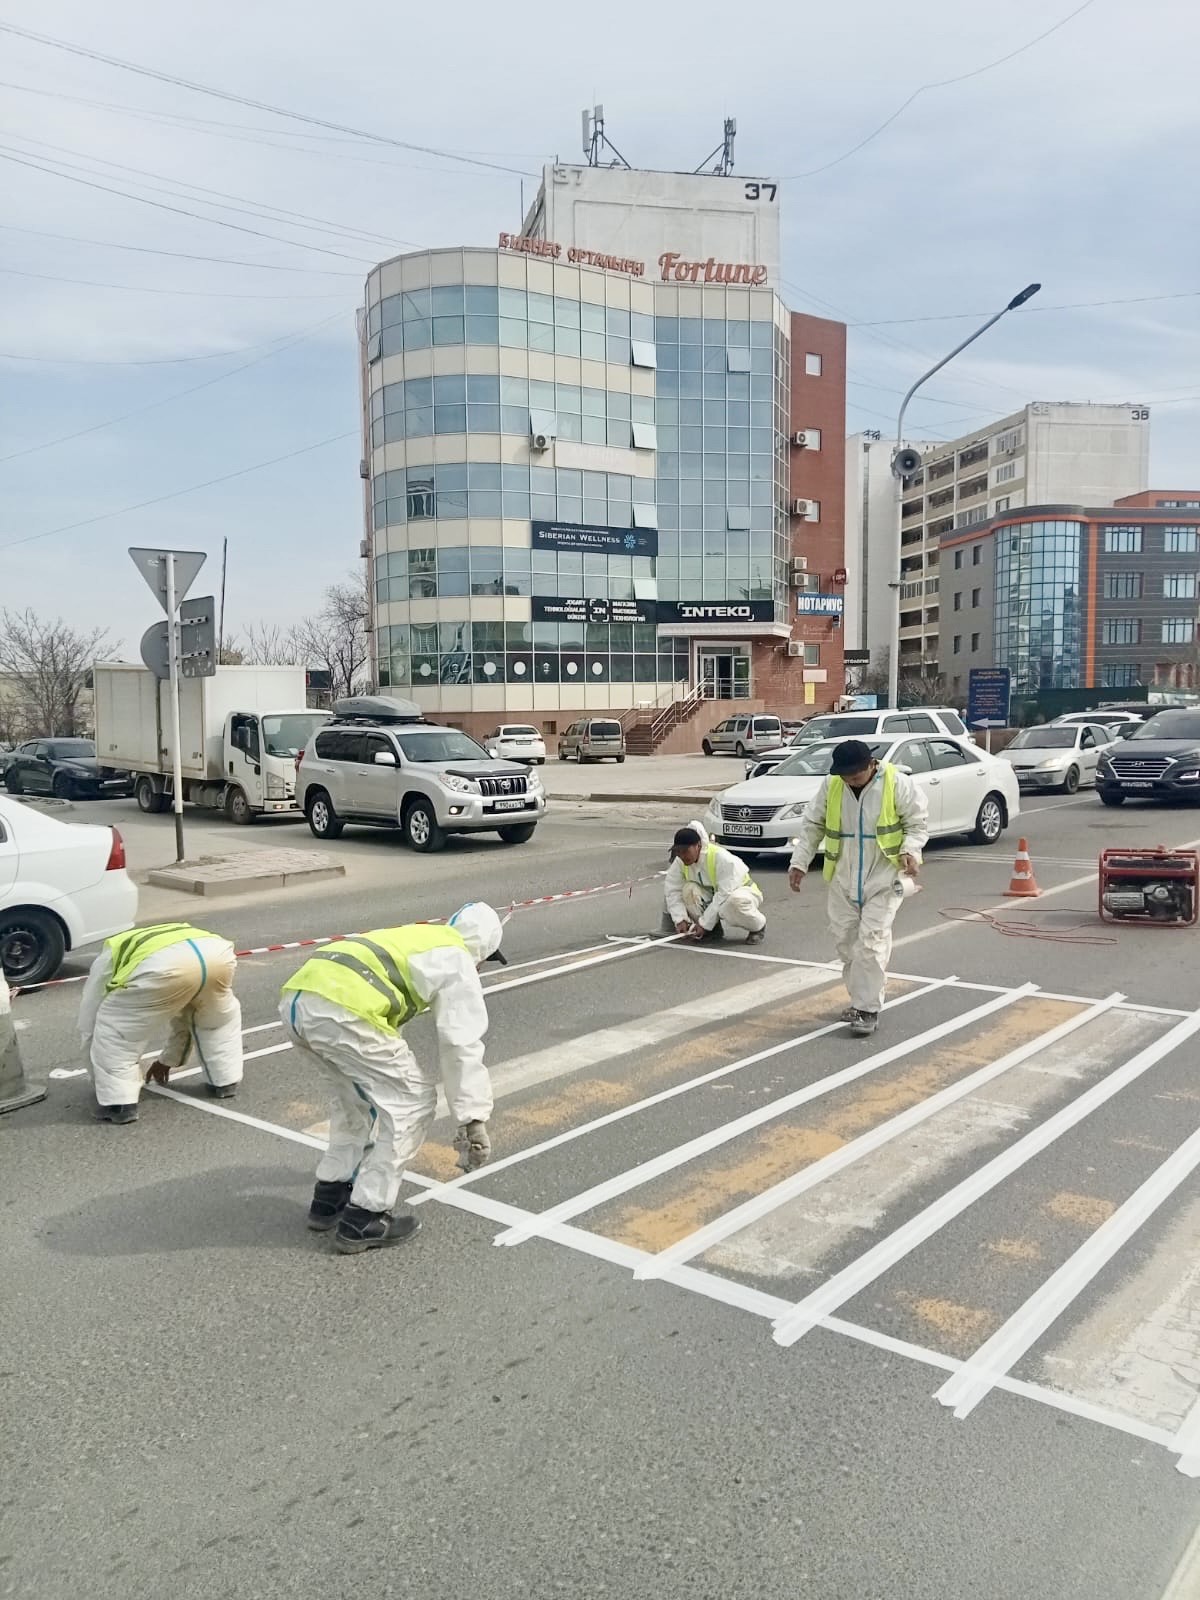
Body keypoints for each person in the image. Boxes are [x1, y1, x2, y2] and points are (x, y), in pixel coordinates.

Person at [279, 903, 506, 1256]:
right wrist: (473, 1118)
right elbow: (461, 1044)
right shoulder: (458, 958)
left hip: (299, 999)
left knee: (353, 1103)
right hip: (342, 1011)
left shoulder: (421, 936)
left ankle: (329, 1198)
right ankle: (365, 1216)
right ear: (483, 951)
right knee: (412, 1103)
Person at [788, 739, 929, 1037]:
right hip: (843, 878)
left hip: (883, 877)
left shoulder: (896, 783)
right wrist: (799, 863)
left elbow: (917, 824)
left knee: (871, 943)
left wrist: (911, 851)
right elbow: (813, 824)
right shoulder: (833, 785)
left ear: (870, 765)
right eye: (845, 776)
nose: (850, 780)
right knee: (847, 944)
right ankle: (859, 1000)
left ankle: (868, 1009)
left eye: (855, 775)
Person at [78, 921, 243, 1124]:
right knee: (217, 1022)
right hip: (217, 954)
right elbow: (186, 1017)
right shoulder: (163, 935)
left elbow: (90, 1021)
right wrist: (168, 1060)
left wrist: (99, 1080)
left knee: (116, 1036)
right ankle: (225, 1082)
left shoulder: (110, 954)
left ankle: (119, 1104)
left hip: (161, 965)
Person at [663, 822, 766, 944]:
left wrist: (705, 924)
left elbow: (723, 895)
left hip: (741, 892)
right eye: (678, 852)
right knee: (688, 890)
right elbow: (672, 890)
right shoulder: (680, 862)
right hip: (714, 894)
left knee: (732, 903)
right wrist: (680, 919)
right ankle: (712, 931)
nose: (682, 856)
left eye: (685, 851)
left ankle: (758, 926)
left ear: (698, 845)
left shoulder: (722, 858)